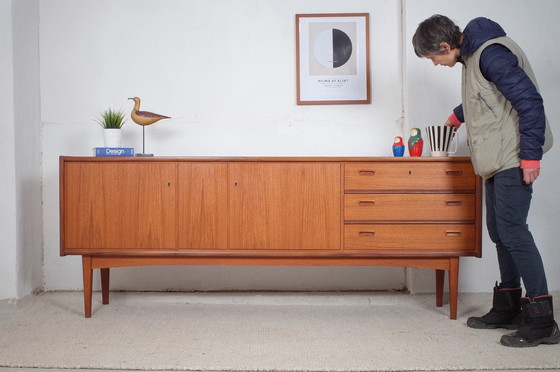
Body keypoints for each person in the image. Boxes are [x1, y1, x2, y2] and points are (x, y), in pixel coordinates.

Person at [412, 15, 557, 347]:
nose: (435, 64)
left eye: (433, 57)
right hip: (495, 157)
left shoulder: (491, 53)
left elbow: (530, 102)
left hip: (514, 155)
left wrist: (531, 155)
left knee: (514, 233)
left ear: (445, 46)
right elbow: (487, 93)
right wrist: (457, 115)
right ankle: (509, 306)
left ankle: (542, 321)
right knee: (499, 231)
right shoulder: (472, 56)